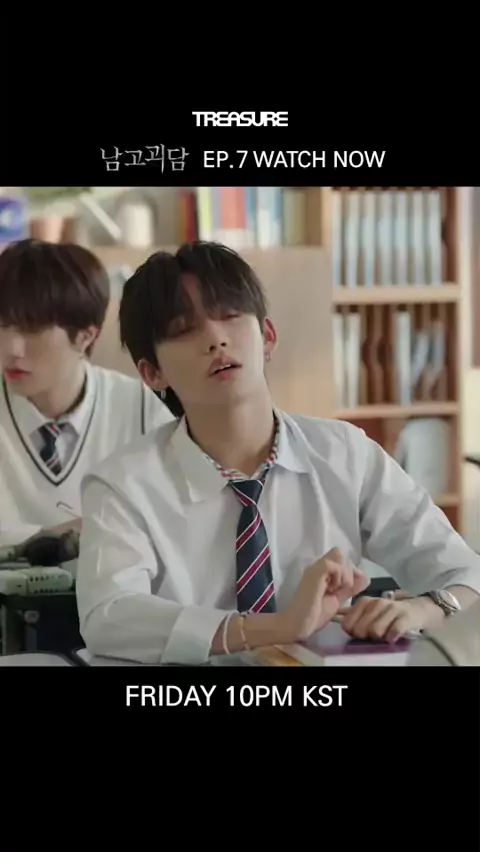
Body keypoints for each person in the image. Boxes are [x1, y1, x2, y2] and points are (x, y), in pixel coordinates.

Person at [76, 241, 480, 665]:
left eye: (230, 316)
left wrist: (421, 610)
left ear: (267, 337)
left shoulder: (345, 454)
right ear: (152, 373)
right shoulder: (122, 484)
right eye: (184, 330)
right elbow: (109, 617)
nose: (215, 339)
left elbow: (466, 572)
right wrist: (279, 627)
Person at [0, 238, 173, 550]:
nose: (12, 348)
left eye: (31, 330)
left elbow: (169, 527)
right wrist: (65, 534)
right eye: (2, 325)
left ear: (85, 336)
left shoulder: (142, 411)